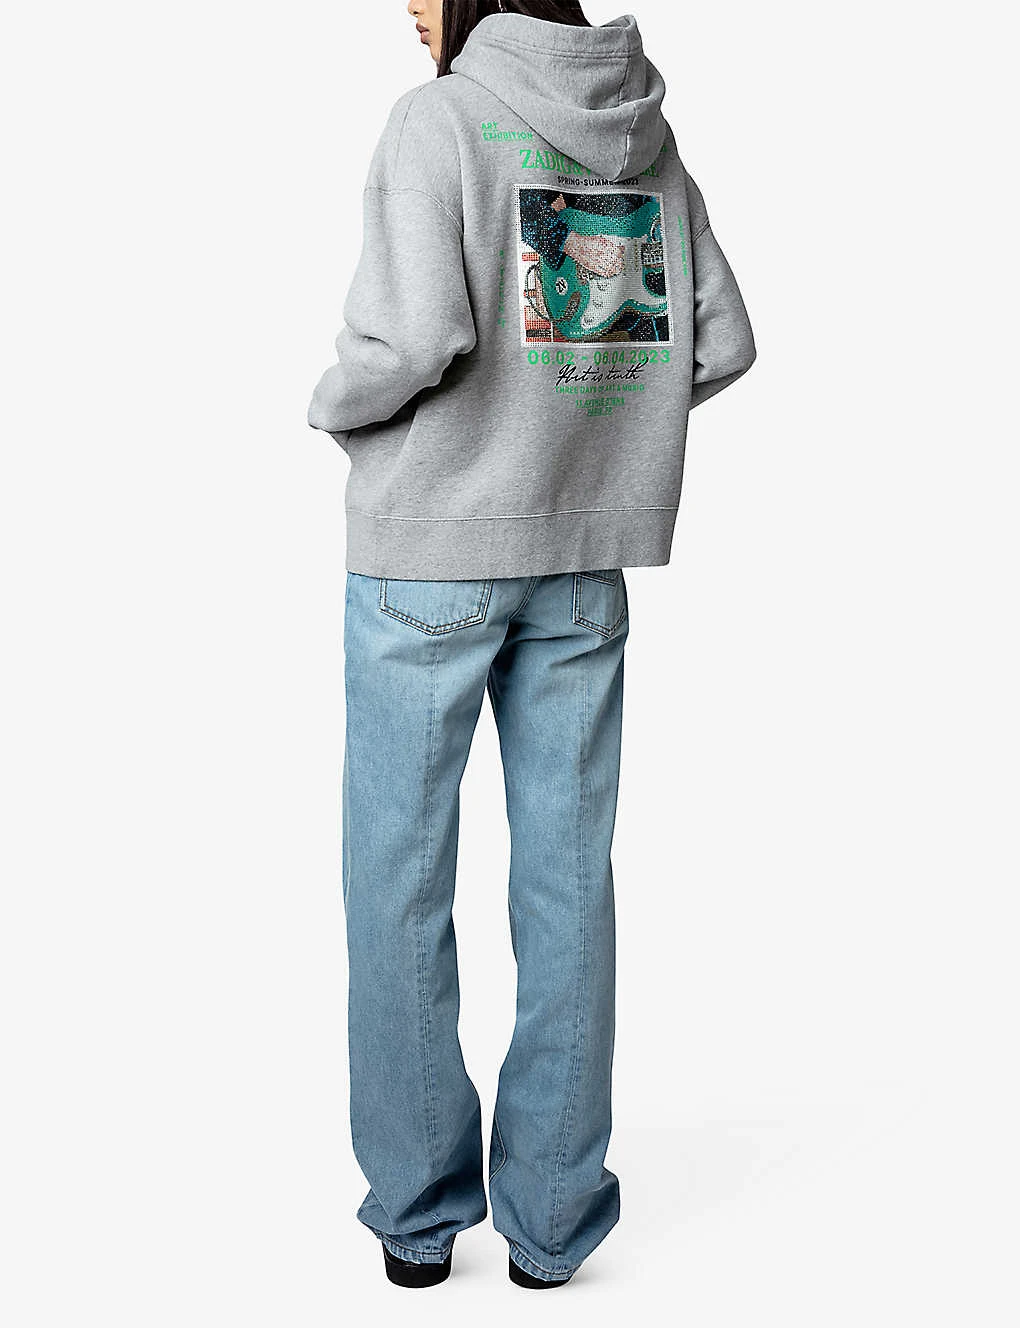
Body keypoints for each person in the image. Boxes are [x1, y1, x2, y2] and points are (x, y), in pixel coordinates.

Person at [306, 0, 755, 1291]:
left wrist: (331, 404)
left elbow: (412, 342)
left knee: (399, 882)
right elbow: (721, 340)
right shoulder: (643, 135)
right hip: (582, 561)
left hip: (428, 556)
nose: (404, 8)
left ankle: (418, 1214)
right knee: (568, 882)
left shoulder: (439, 122)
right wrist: (593, 430)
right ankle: (553, 1225)